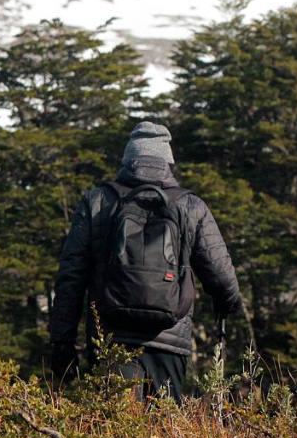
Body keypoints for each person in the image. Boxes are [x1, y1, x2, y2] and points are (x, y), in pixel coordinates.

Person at [49, 122, 242, 400]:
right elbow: (223, 279)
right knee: (162, 435)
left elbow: (70, 278)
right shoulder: (190, 206)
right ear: (168, 162)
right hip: (169, 343)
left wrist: (62, 344)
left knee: (113, 435)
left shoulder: (96, 202)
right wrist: (228, 305)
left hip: (110, 340)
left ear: (127, 160)